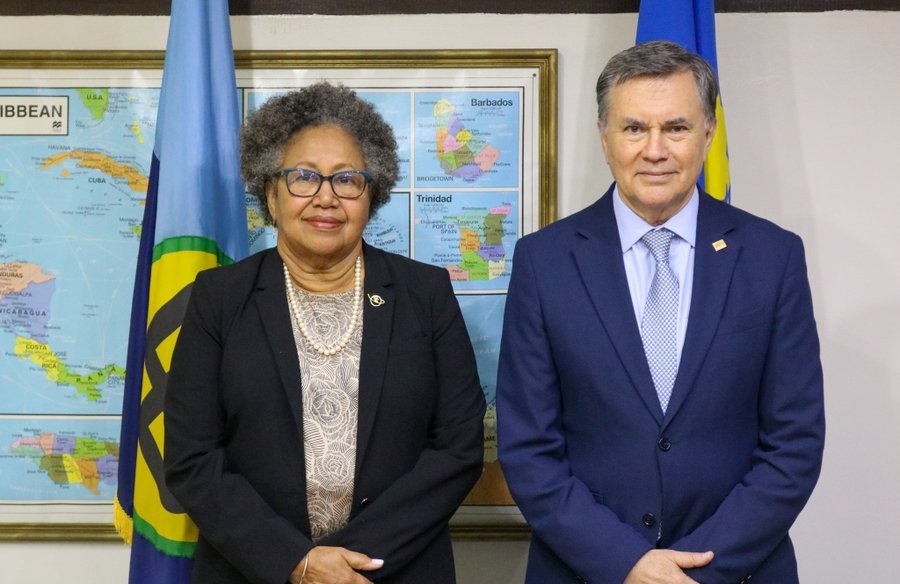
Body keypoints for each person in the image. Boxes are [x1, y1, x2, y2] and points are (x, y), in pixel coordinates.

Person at [497, 40, 825, 584]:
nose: (655, 150)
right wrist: (625, 563)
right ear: (604, 135)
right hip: (586, 569)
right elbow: (529, 448)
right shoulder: (544, 261)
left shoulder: (773, 256)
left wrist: (696, 570)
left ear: (709, 133)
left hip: (736, 571)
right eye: (633, 129)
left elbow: (794, 444)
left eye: (675, 127)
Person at [164, 82, 486, 584]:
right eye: (303, 177)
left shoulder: (425, 294)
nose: (325, 197)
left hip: (394, 570)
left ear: (370, 195)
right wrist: (296, 560)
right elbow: (192, 456)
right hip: (253, 571)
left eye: (347, 180)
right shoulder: (219, 298)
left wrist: (349, 562)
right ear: (270, 193)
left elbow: (458, 446)